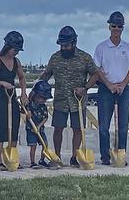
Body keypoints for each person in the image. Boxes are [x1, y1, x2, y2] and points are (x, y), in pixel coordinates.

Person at [39, 26, 99, 168]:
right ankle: (57, 157)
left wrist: (85, 88)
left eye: (66, 45)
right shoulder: (55, 58)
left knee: (77, 129)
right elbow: (46, 75)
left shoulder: (84, 57)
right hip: (60, 100)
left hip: (77, 101)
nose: (64, 48)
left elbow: (95, 74)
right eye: (61, 45)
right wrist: (37, 88)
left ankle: (75, 157)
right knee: (58, 128)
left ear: (74, 43)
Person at [94, 11, 129, 165]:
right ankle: (105, 156)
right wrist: (109, 85)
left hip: (123, 90)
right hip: (106, 89)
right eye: (113, 26)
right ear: (109, 27)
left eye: (119, 26)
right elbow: (97, 69)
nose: (116, 29)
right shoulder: (101, 47)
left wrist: (123, 85)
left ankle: (121, 155)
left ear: (122, 28)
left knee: (122, 127)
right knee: (103, 127)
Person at [0, 31, 28, 171]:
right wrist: (2, 83)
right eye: (15, 50)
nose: (16, 53)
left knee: (14, 126)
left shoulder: (16, 62)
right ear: (8, 47)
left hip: (12, 97)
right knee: (2, 128)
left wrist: (23, 93)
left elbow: (21, 78)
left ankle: (12, 157)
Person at [25, 80, 53, 168]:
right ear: (35, 95)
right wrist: (27, 112)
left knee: (45, 144)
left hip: (40, 129)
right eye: (42, 98)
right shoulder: (29, 104)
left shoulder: (43, 106)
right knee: (33, 146)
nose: (43, 100)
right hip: (31, 129)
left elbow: (45, 117)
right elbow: (24, 109)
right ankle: (32, 162)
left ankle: (42, 160)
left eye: (45, 99)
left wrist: (39, 126)